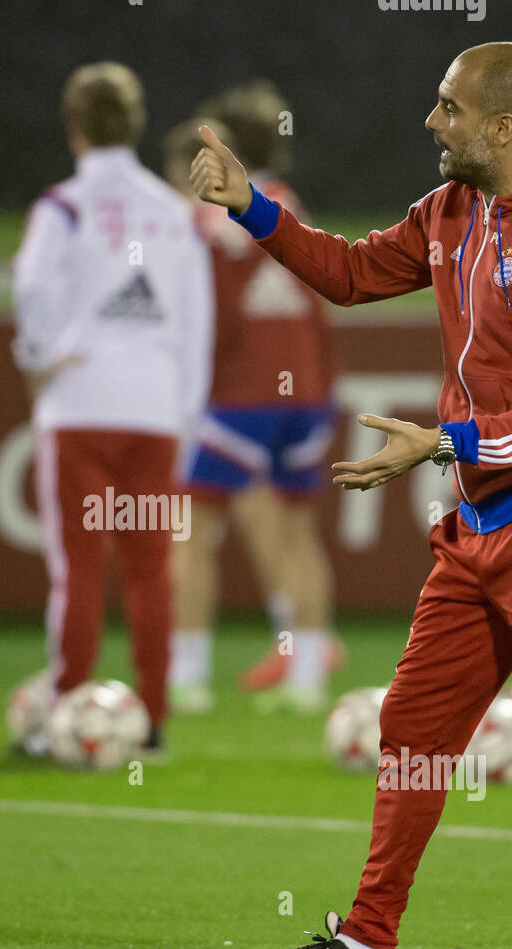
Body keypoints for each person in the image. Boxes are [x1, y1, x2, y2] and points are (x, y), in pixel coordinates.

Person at [193, 42, 512, 949]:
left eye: (448, 107)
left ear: (502, 126)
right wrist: (250, 206)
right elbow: (348, 272)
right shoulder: (452, 211)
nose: (431, 121)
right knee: (412, 726)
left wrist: (446, 442)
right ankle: (367, 946)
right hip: (481, 526)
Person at [12, 62, 212, 754]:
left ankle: (69, 715)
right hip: (155, 411)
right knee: (150, 570)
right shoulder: (173, 212)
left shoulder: (63, 207)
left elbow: (32, 291)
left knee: (80, 568)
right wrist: (184, 415)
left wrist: (38, 357)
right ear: (137, 124)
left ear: (73, 127)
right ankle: (152, 719)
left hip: (80, 406)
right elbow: (197, 323)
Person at [162, 87, 342, 717]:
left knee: (191, 533)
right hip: (306, 392)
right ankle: (307, 682)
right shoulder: (293, 208)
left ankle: (185, 678)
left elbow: (192, 309)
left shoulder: (207, 212)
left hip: (239, 392)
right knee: (299, 534)